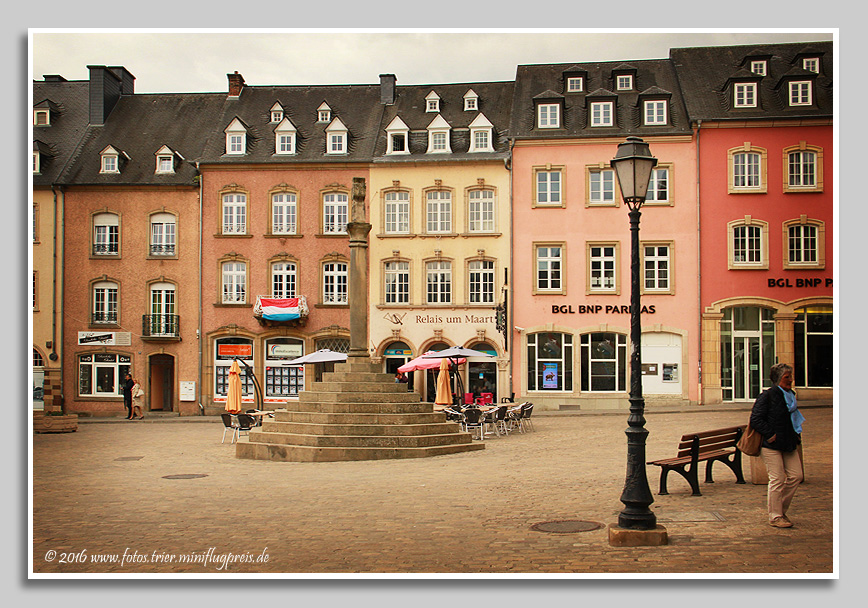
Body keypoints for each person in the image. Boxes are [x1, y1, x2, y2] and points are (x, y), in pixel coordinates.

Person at [749, 362, 805, 528]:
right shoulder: (768, 395)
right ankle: (775, 516)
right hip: (771, 445)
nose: (791, 380)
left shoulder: (791, 395)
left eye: (791, 377)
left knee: (796, 475)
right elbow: (755, 419)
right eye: (787, 377)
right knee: (777, 478)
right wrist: (771, 434)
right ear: (778, 379)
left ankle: (780, 508)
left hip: (788, 442)